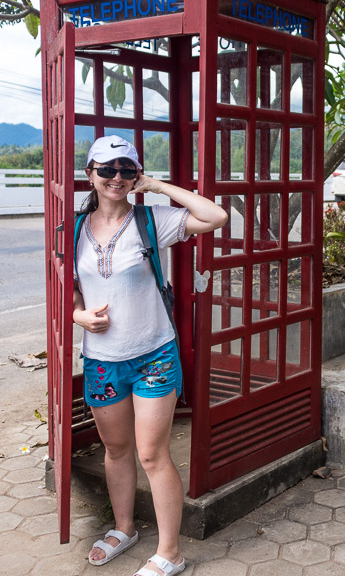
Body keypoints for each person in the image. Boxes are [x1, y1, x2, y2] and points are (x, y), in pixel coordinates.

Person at [73, 135, 227, 575]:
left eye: (127, 170)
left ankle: (171, 553)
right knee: (116, 448)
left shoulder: (151, 221)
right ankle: (124, 529)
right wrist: (79, 316)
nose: (117, 178)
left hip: (153, 355)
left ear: (135, 174)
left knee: (151, 454)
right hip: (102, 359)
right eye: (107, 169)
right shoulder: (74, 228)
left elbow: (215, 216)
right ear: (91, 174)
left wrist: (157, 187)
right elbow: (65, 288)